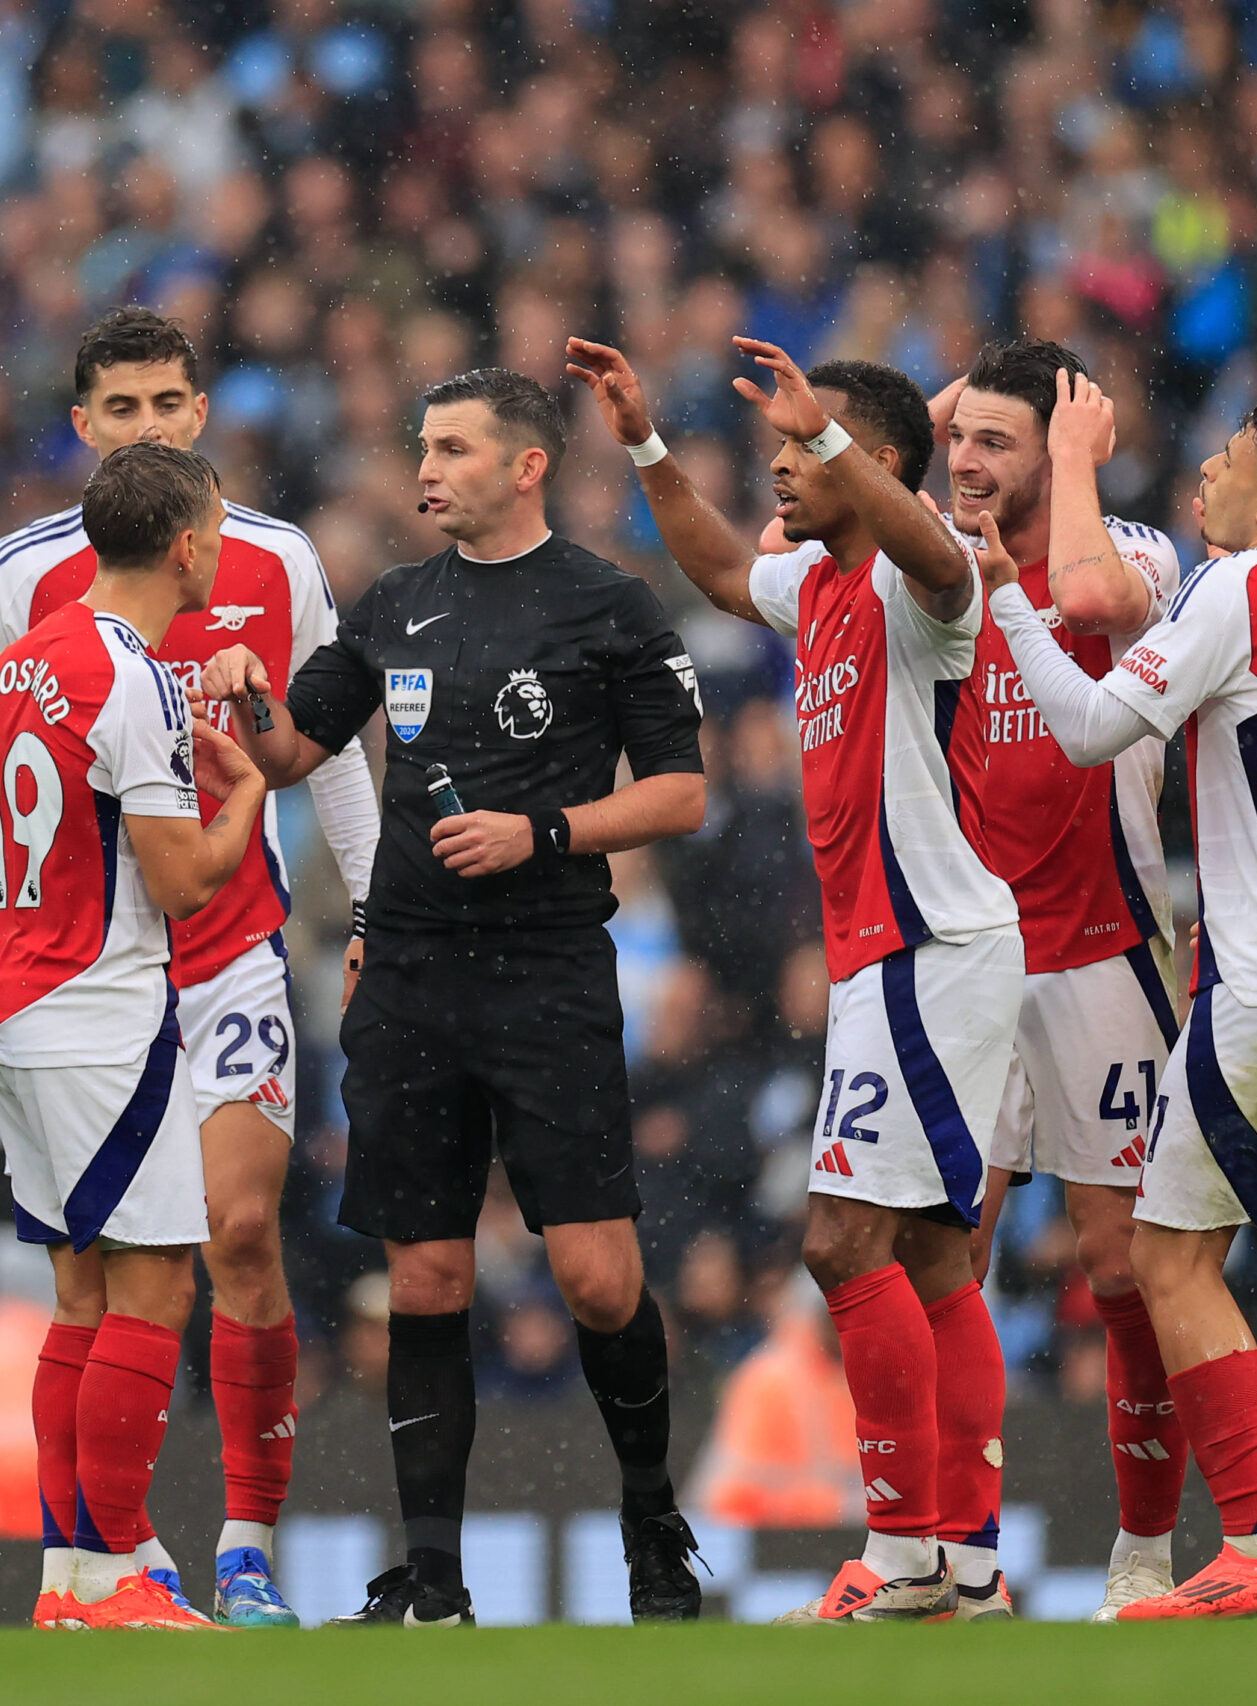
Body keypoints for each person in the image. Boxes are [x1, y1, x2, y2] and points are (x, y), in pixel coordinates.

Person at [201, 366, 707, 1628]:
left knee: (596, 1277)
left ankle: (652, 1528)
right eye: (422, 446)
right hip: (412, 976)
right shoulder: (394, 602)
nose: (425, 469)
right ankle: (431, 1579)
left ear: (526, 466)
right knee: (422, 1279)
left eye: (453, 448)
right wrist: (246, 694)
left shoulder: (610, 606)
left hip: (545, 973)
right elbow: (291, 752)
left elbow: (679, 795)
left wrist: (542, 831)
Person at [570, 336, 1021, 1624]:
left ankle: (907, 1552)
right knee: (933, 1257)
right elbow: (715, 569)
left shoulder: (925, 575)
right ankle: (969, 1571)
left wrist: (828, 439)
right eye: (773, 455)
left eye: (797, 454)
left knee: (838, 1242)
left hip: (930, 943)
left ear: (866, 462)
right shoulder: (818, 585)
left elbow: (935, 551)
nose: (777, 474)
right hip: (898, 952)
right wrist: (648, 445)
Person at [0, 306, 378, 1626]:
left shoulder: (277, 558)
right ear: (82, 425)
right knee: (119, 1268)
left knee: (239, 1231)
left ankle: (241, 1541)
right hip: (95, 958)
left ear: (203, 415)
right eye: (118, 408)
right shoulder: (26, 572)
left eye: (166, 406)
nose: (145, 426)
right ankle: (104, 1556)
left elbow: (336, 740)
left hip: (228, 942)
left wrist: (368, 902)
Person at [974, 399, 1257, 1620]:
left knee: (1164, 1257)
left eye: (1224, 460)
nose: (1206, 473)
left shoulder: (1236, 588)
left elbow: (1084, 729)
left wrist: (1006, 601)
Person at [0, 442, 267, 1632]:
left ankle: (63, 1573)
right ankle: (107, 1575)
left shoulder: (19, 664)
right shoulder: (130, 674)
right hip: (101, 1014)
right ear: (189, 542)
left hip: (13, 1008)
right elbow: (184, 879)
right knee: (153, 1289)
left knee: (80, 1300)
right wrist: (243, 795)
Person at [937, 341, 1190, 1619]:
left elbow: (1093, 603)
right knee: (940, 1250)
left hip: (1105, 943)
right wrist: (927, 447)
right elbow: (782, 535)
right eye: (957, 438)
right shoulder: (937, 558)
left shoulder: (1138, 549)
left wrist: (1077, 460)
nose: (966, 463)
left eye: (996, 440)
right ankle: (950, 1556)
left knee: (1118, 1265)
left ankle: (1142, 1556)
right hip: (973, 951)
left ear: (1065, 441)